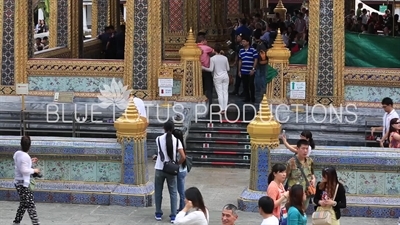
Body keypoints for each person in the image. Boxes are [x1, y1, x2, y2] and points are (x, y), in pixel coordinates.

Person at [154, 121, 186, 223]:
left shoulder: (158, 139)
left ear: (164, 128)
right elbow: (183, 157)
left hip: (159, 168)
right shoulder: (177, 141)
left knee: (158, 191)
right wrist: (177, 164)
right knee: (173, 193)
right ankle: (173, 215)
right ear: (173, 129)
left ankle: (158, 213)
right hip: (171, 170)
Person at [13, 136, 40, 225]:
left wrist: (30, 161)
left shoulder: (17, 153)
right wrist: (34, 170)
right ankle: (36, 223)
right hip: (23, 184)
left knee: (24, 204)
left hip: (18, 183)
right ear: (30, 146)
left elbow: (21, 164)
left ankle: (16, 222)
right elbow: (24, 170)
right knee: (31, 205)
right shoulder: (25, 156)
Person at [286, 139, 315, 210]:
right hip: (295, 192)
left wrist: (313, 179)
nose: (305, 151)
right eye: (303, 148)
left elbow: (312, 173)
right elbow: (286, 176)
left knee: (303, 210)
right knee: (294, 210)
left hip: (306, 191)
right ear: (298, 149)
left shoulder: (310, 161)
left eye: (307, 149)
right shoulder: (291, 162)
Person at [202, 43, 230, 114]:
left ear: (214, 50)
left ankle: (221, 109)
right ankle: (225, 108)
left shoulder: (212, 59)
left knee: (220, 93)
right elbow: (228, 68)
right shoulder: (225, 58)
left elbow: (211, 69)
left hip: (217, 77)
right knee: (225, 92)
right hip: (225, 76)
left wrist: (203, 68)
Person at [238, 35, 258, 103]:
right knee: (245, 85)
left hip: (251, 70)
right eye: (242, 41)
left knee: (251, 84)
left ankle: (253, 97)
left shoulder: (253, 50)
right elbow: (240, 60)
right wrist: (239, 70)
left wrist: (253, 69)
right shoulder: (241, 51)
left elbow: (255, 59)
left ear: (248, 42)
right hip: (243, 70)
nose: (242, 43)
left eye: (244, 41)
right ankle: (247, 97)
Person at [172, 129, 188, 212]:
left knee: (181, 191)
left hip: (180, 170)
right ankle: (182, 207)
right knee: (180, 190)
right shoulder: (182, 144)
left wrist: (177, 164)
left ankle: (183, 208)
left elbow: (183, 157)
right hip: (183, 169)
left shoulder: (178, 145)